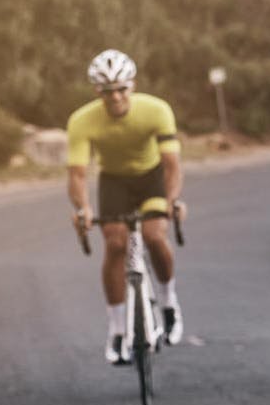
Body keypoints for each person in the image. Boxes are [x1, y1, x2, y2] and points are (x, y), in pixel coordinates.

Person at [67, 49, 187, 364]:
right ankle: (118, 330)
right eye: (108, 91)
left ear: (132, 85)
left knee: (154, 235)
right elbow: (78, 175)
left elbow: (172, 165)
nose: (116, 97)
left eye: (122, 88)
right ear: (98, 91)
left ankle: (168, 303)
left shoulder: (157, 110)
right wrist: (83, 209)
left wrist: (171, 202)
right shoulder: (82, 120)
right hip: (114, 182)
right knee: (116, 243)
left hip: (151, 178)